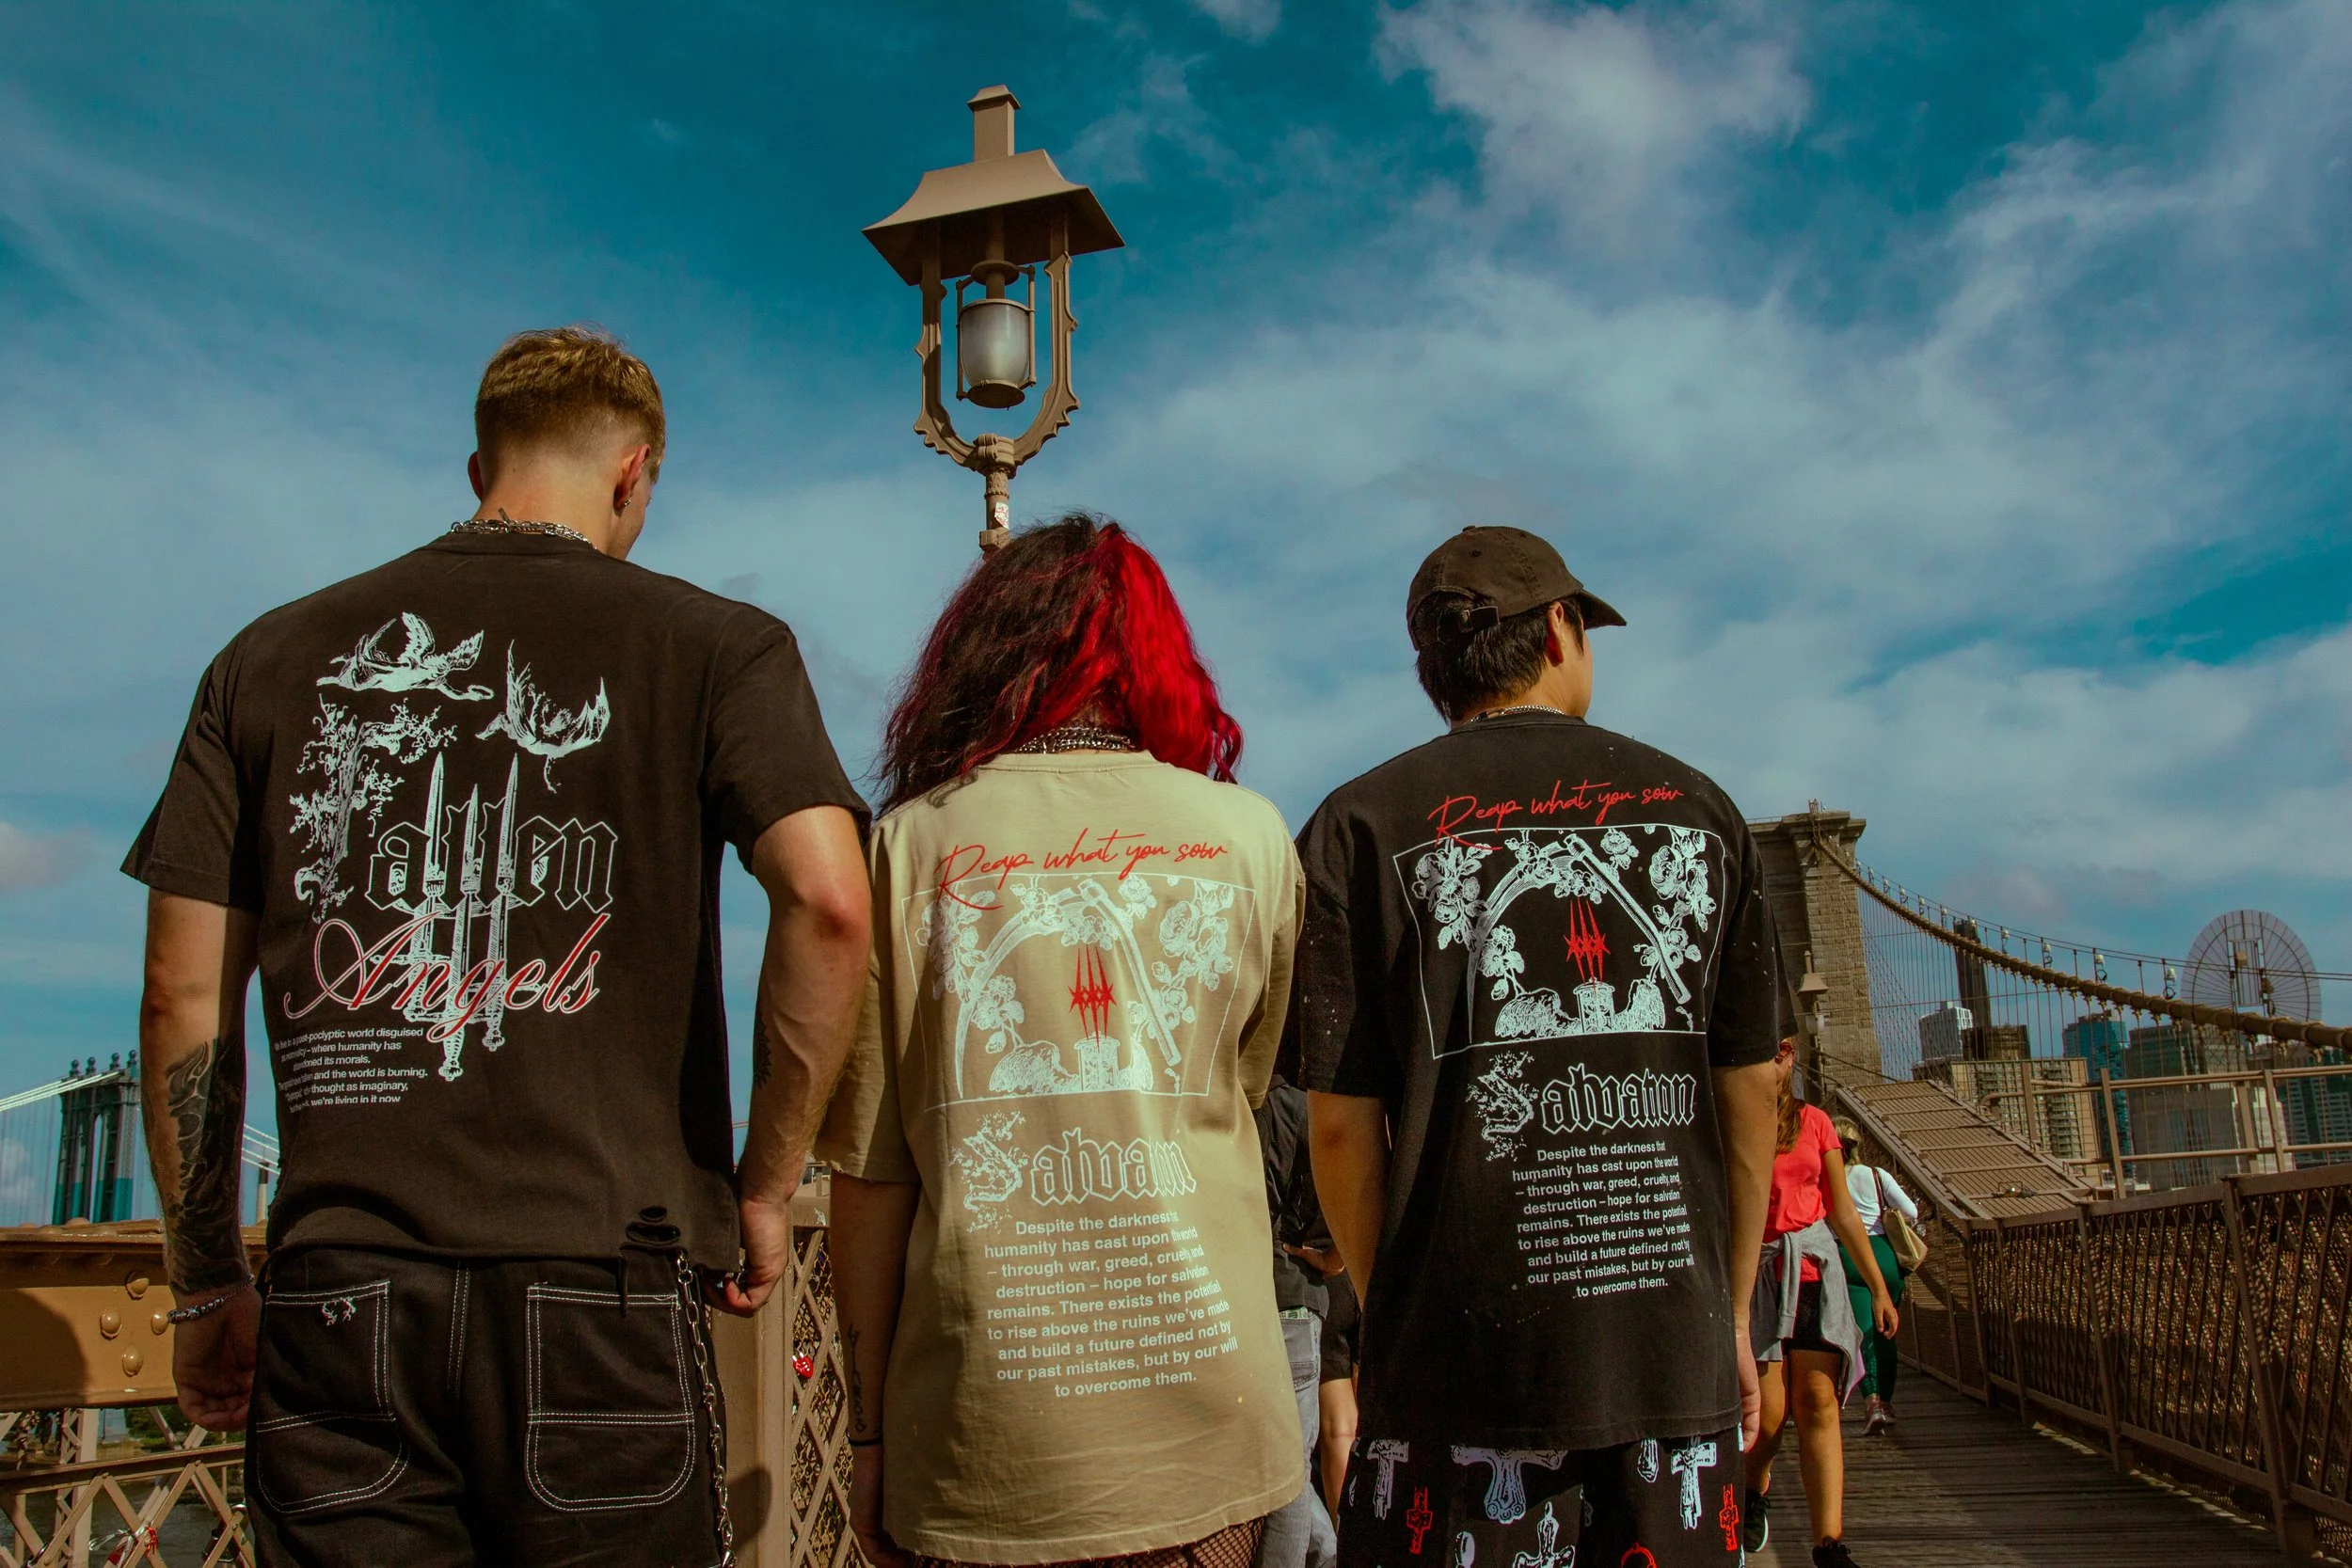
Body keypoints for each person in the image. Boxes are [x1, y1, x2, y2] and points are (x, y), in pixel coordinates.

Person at [124, 326, 873, 1565]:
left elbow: (177, 993)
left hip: (338, 1298)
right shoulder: (720, 645)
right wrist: (759, 1180)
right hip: (606, 1288)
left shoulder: (263, 658)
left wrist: (207, 1280)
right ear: (635, 473)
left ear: (479, 463)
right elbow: (831, 901)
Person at [818, 515, 1307, 1568]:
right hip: (1206, 1432)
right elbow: (1241, 1086)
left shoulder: (907, 846)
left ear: (979, 656)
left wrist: (864, 1433)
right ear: (1156, 653)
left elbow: (870, 1174)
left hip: (986, 1446)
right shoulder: (1251, 838)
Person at [1296, 526, 1784, 1568]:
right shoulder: (1704, 814)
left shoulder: (1356, 826)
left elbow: (1338, 1128)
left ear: (1435, 667)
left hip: (1454, 1380)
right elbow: (1750, 1098)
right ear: (1560, 627)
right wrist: (1728, 1311)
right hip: (1666, 1359)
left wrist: (1395, 1313)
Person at [1737, 1043, 1898, 1566]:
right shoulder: (1732, 1116)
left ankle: (1829, 1546)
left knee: (1818, 1403)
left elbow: (1844, 1212)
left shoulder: (1817, 1123)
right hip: (1756, 1275)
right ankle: (1753, 1492)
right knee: (1771, 1414)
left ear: (1789, 1056)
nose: (1769, 1066)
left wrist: (1877, 1287)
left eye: (1776, 1055)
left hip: (1813, 1273)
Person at [1256, 1069, 1340, 1568]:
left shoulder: (1265, 1104)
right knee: (1292, 1471)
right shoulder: (1318, 1106)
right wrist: (1329, 1258)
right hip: (1300, 1300)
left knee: (1286, 1476)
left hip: (1261, 1298)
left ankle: (1329, 1555)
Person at [1833, 1117, 1915, 1435]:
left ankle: (1872, 1402)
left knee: (1863, 1330)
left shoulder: (1827, 1178)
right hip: (1884, 1254)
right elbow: (1912, 1212)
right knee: (1886, 1330)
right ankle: (1888, 1402)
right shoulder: (1878, 1176)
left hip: (1849, 1256)